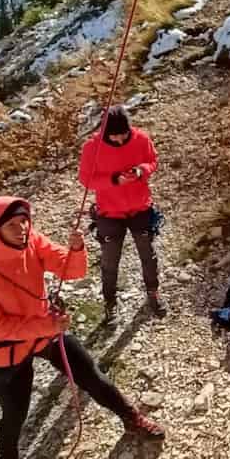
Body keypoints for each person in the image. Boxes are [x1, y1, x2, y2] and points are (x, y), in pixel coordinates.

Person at [0, 196, 164, 459]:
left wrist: (77, 250)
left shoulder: (32, 242)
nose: (22, 229)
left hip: (45, 332)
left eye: (24, 221)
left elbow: (71, 271)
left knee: (91, 375)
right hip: (11, 348)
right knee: (15, 413)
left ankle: (130, 417)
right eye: (12, 225)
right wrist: (45, 328)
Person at [78, 106, 166, 321]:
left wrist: (140, 171)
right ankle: (110, 303)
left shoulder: (141, 138)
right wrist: (113, 180)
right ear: (104, 132)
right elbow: (86, 180)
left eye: (123, 134)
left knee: (148, 256)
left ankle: (153, 294)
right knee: (109, 262)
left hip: (140, 208)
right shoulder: (92, 147)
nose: (118, 140)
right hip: (109, 213)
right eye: (113, 136)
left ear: (129, 129)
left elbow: (152, 161)